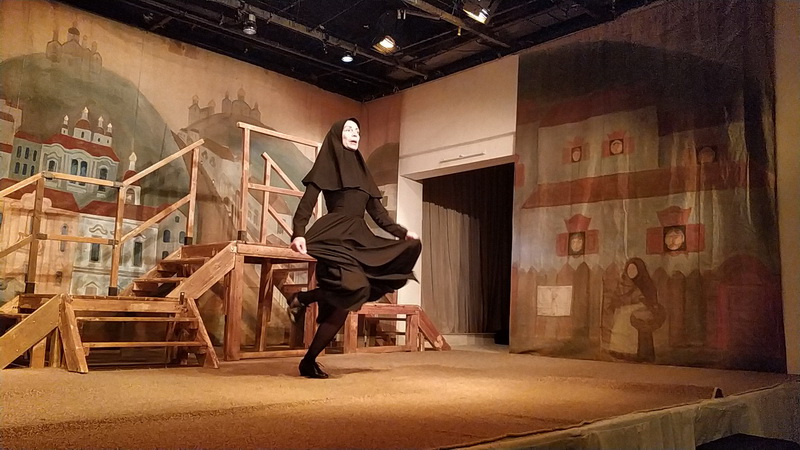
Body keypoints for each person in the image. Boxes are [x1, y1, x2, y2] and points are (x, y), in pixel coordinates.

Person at [288, 118, 421, 379]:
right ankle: (303, 301)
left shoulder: (363, 173)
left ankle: (307, 356)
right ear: (337, 135)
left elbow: (378, 214)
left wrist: (402, 233)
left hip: (358, 237)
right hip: (334, 236)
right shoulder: (326, 166)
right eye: (349, 130)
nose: (355, 134)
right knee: (355, 288)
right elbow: (306, 204)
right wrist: (298, 233)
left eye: (358, 131)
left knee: (345, 303)